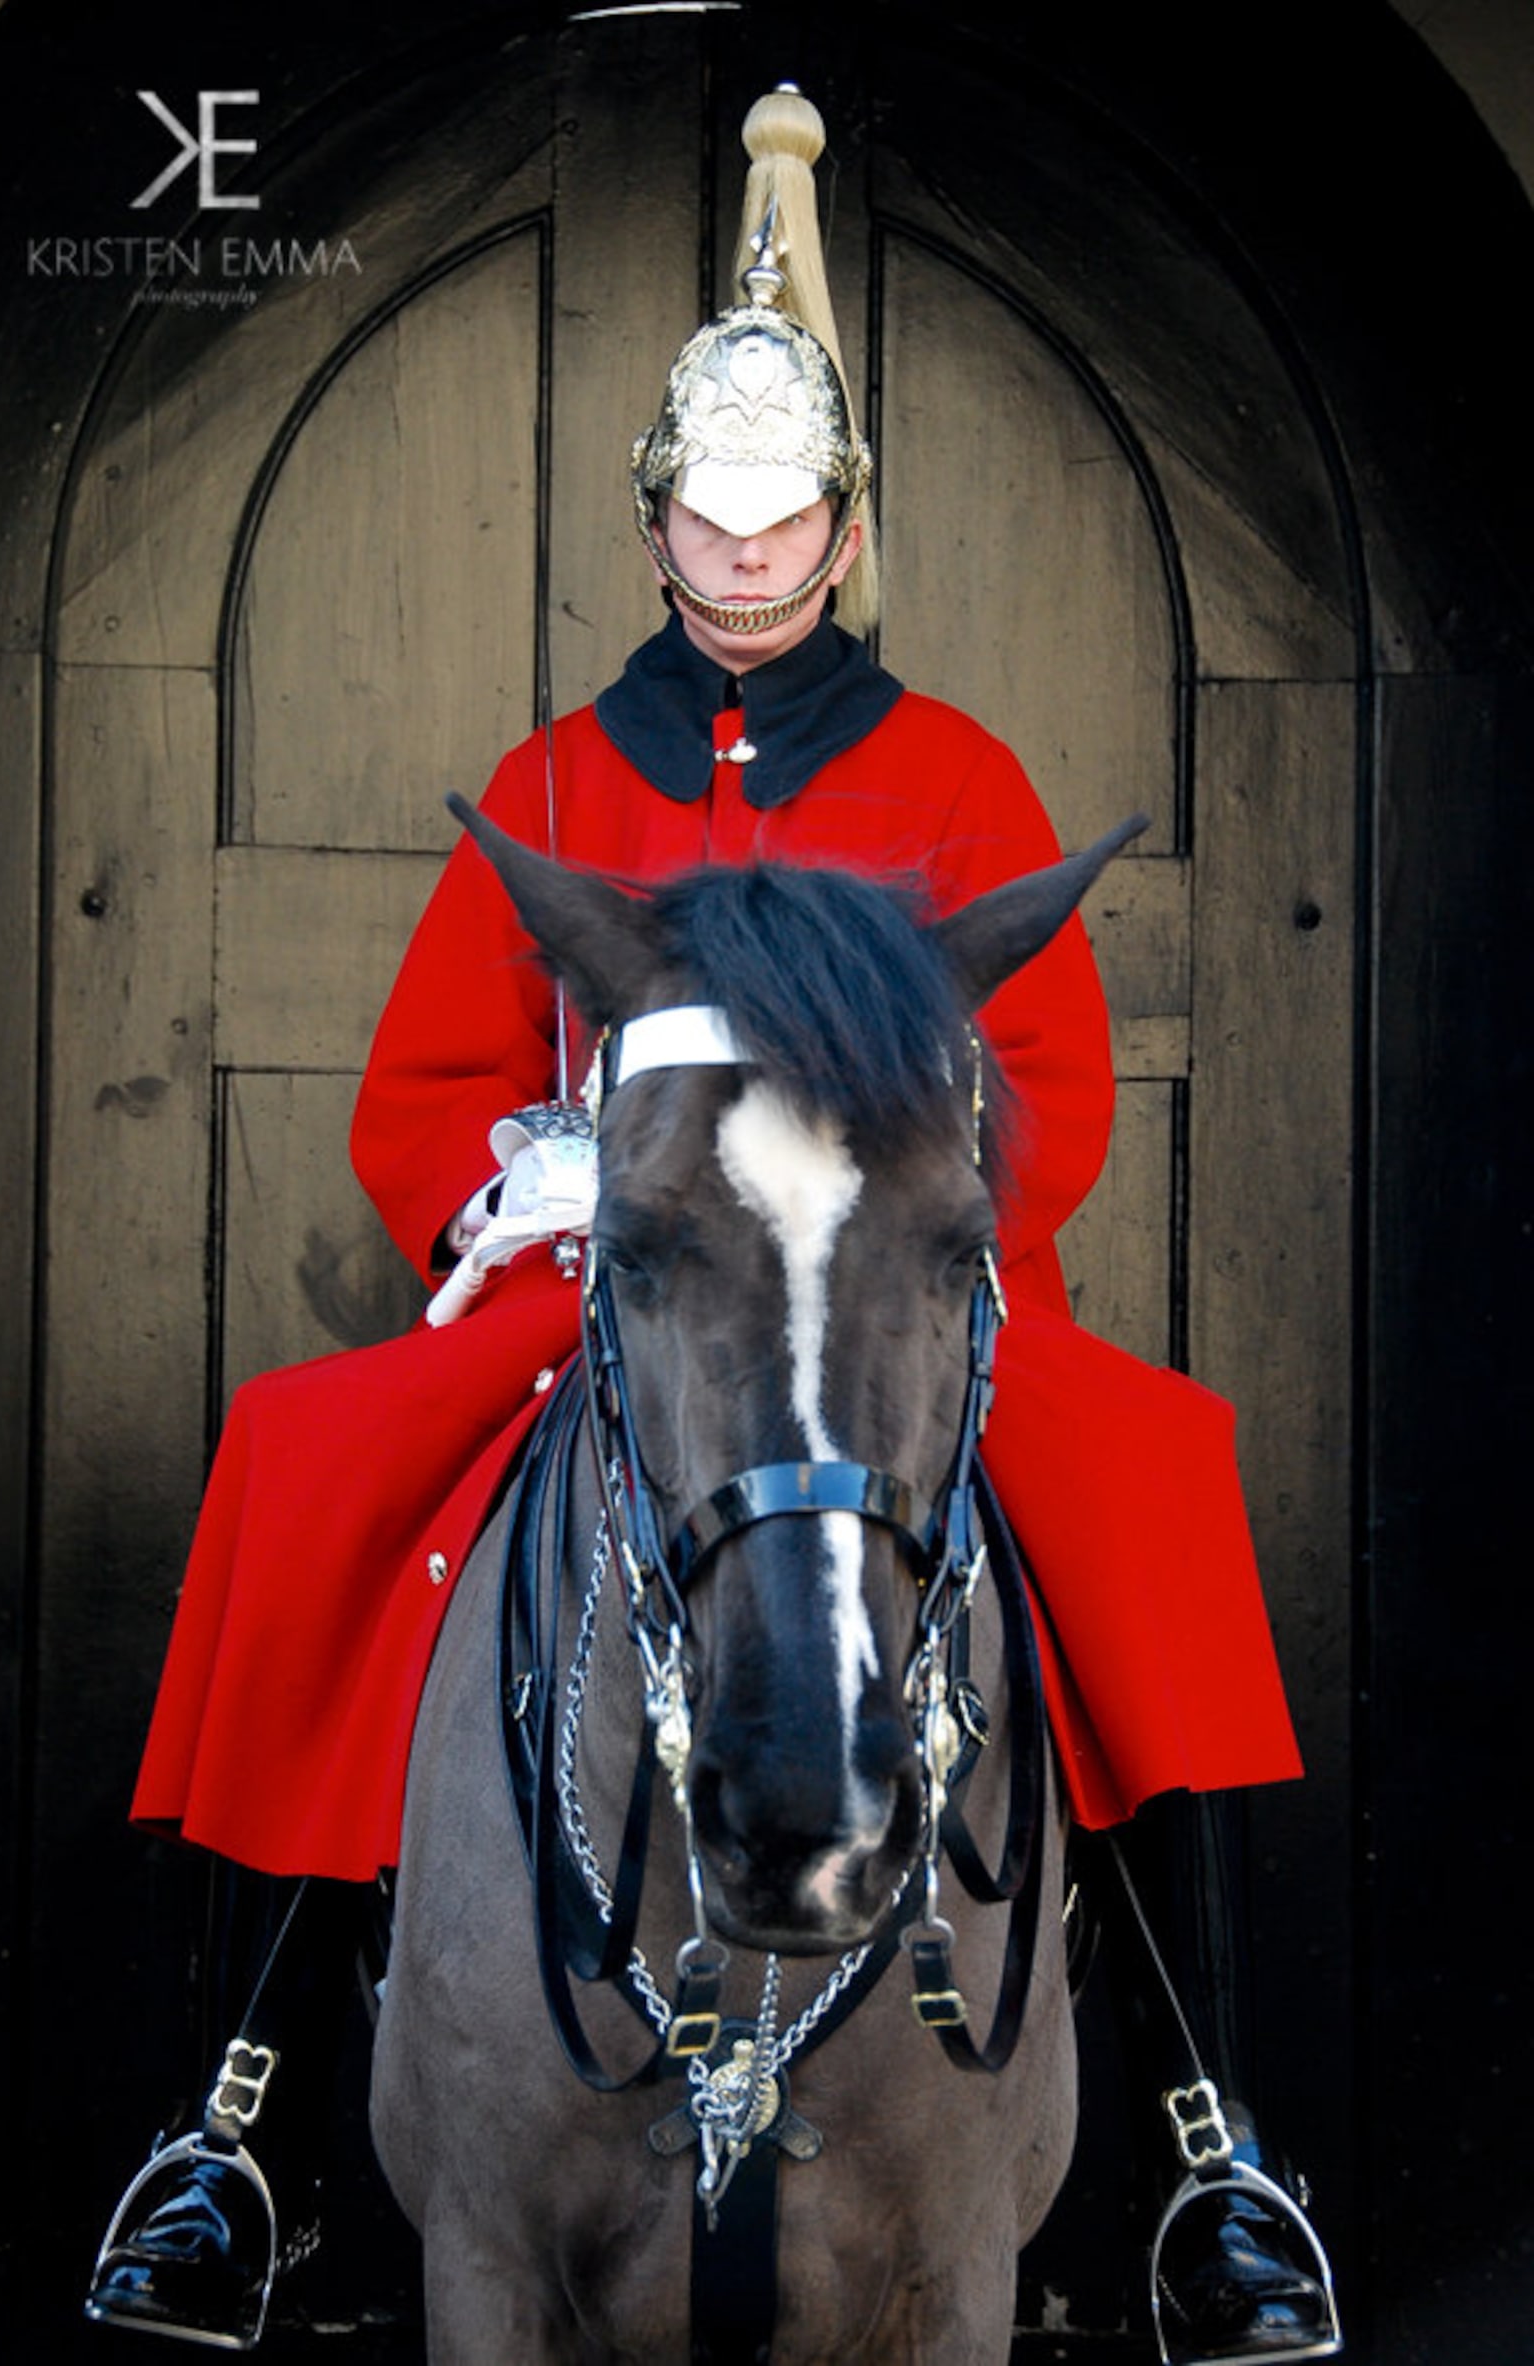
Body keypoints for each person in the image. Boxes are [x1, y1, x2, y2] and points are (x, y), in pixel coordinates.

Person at [86, 85, 1340, 2364]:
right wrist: (549, 1187)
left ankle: (1198, 2137)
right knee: (311, 1457)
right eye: (706, 514)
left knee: (1145, 1480)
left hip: (883, 1301)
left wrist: (905, 1204)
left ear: (840, 529)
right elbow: (421, 1098)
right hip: (623, 1295)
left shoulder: (957, 780)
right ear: (654, 518)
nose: (743, 556)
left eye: (783, 524)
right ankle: (236, 2120)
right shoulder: (562, 778)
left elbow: (1037, 1093)